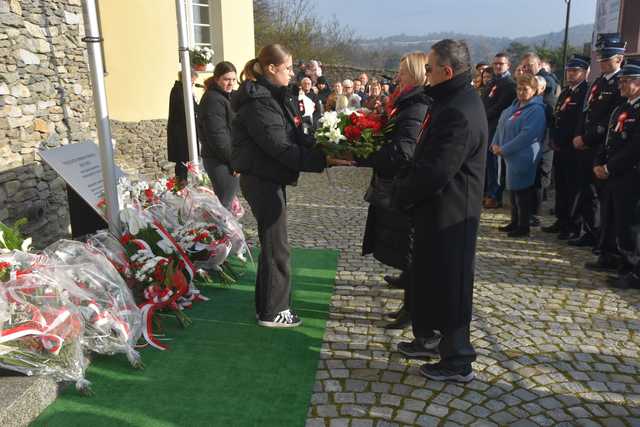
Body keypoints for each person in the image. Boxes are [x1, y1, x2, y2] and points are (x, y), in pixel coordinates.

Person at [230, 44, 350, 328]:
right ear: (271, 68)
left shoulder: (271, 96)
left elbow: (294, 134)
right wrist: (321, 161)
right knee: (277, 245)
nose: (292, 73)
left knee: (273, 243)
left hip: (267, 176)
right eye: (287, 68)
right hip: (261, 178)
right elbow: (279, 147)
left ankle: (267, 306)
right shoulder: (259, 102)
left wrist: (324, 147)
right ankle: (274, 311)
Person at [393, 39, 487, 383]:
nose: (425, 74)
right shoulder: (450, 99)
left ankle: (458, 358)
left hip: (452, 212)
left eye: (430, 69)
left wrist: (403, 193)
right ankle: (431, 338)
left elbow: (437, 169)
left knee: (451, 283)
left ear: (447, 71)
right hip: (437, 209)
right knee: (431, 278)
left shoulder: (460, 109)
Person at [360, 52, 430, 330]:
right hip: (396, 183)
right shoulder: (406, 101)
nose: (398, 76)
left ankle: (411, 311)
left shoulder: (415, 104)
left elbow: (404, 150)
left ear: (415, 74)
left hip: (402, 184)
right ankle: (407, 306)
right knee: (405, 250)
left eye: (403, 71)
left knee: (410, 253)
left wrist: (367, 155)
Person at [569, 33, 625, 249]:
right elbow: (585, 112)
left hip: (600, 146)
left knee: (599, 195)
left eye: (606, 59)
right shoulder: (598, 82)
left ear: (619, 59)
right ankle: (589, 230)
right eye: (600, 58)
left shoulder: (621, 83)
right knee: (586, 191)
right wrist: (578, 134)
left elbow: (611, 118)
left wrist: (587, 138)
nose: (602, 62)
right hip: (584, 144)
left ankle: (601, 237)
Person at [587, 58, 640, 274]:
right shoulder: (620, 108)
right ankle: (608, 256)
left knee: (628, 223)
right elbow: (609, 139)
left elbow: (635, 147)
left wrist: (609, 167)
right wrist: (599, 162)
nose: (621, 85)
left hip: (629, 174)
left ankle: (630, 268)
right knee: (610, 216)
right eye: (621, 82)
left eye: (627, 81)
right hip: (611, 172)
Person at [491, 74, 547, 237]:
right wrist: (495, 143)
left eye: (525, 89)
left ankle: (523, 226)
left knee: (522, 191)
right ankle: (514, 221)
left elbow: (527, 135)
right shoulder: (513, 107)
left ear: (534, 91)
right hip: (508, 155)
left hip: (523, 155)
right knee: (513, 191)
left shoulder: (536, 110)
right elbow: (500, 125)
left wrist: (505, 148)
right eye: (519, 88)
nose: (521, 92)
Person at [542, 55, 590, 239]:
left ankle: (572, 225)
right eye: (569, 71)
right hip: (560, 147)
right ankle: (561, 220)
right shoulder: (566, 92)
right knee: (561, 187)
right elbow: (557, 117)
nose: (571, 74)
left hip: (573, 148)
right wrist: (553, 138)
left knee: (573, 189)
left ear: (585, 72)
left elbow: (580, 121)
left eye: (575, 71)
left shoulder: (585, 92)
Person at [198, 62, 238, 209]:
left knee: (226, 204)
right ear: (217, 79)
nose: (231, 83)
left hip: (225, 159)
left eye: (233, 79)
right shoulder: (214, 100)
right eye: (227, 79)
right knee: (223, 206)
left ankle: (223, 231)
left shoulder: (224, 97)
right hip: (220, 161)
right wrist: (234, 161)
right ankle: (220, 232)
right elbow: (218, 137)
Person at [482, 52, 517, 209]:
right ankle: (487, 193)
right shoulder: (492, 82)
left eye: (501, 64)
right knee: (488, 163)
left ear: (508, 65)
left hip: (498, 128)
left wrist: (483, 115)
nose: (497, 66)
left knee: (496, 165)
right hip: (487, 126)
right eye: (495, 63)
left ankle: (495, 195)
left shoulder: (509, 84)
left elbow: (501, 107)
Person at [167, 69, 199, 185]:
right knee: (182, 162)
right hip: (181, 133)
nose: (193, 84)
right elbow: (188, 110)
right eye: (192, 81)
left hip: (183, 132)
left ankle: (182, 185)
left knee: (183, 162)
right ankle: (181, 186)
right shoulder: (180, 91)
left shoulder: (182, 89)